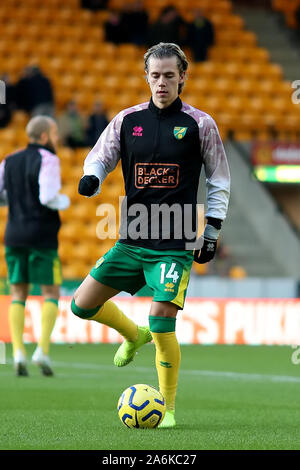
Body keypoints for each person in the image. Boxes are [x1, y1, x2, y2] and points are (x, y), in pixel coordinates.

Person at [72, 43, 230, 428]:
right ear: (146, 77)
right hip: (131, 238)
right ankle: (132, 334)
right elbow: (101, 155)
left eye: (169, 76)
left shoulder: (200, 124)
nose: (161, 83)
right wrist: (92, 177)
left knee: (163, 321)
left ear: (183, 78)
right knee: (81, 305)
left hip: (173, 245)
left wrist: (212, 229)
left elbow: (219, 178)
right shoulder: (127, 120)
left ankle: (169, 409)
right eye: (155, 75)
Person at [0, 116, 70, 376]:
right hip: (42, 235)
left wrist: (15, 201)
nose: (57, 138)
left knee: (18, 294)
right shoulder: (49, 159)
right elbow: (47, 196)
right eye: (54, 133)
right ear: (44, 136)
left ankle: (18, 352)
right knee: (50, 292)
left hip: (14, 234)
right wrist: (64, 202)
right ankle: (41, 349)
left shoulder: (9, 161)